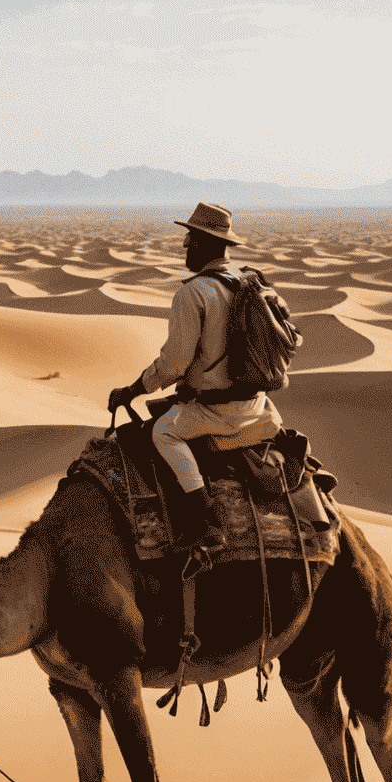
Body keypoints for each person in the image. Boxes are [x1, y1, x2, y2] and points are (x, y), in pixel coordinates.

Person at [108, 202, 284, 550]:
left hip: (216, 412)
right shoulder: (248, 284)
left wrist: (132, 390)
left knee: (164, 432)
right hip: (257, 407)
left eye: (189, 239)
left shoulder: (194, 293)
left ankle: (206, 522)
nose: (185, 246)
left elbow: (174, 363)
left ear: (204, 243)